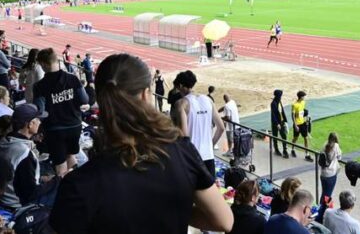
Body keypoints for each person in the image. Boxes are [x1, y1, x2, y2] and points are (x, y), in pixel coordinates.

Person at [50, 54, 233, 234]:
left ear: (100, 99)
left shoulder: (77, 184)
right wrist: (176, 210)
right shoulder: (182, 152)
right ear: (146, 95)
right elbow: (224, 221)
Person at [0, 104, 58, 211]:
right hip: (19, 205)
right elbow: (31, 193)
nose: (40, 122)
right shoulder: (24, 153)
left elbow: (17, 175)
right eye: (37, 120)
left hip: (4, 198)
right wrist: (56, 180)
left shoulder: (3, 142)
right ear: (30, 124)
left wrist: (43, 179)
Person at [33, 47, 89, 177]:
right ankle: (77, 182)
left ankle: (64, 187)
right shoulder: (73, 79)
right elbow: (84, 100)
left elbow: (40, 110)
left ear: (44, 64)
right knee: (71, 155)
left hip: (54, 129)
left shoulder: (39, 86)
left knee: (60, 165)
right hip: (75, 125)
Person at [174, 70, 225, 177]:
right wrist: (211, 144)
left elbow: (184, 136)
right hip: (208, 156)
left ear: (181, 86)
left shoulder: (181, 104)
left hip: (191, 158)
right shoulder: (208, 100)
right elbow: (221, 128)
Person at [316, 132, 342, 222]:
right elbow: (339, 157)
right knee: (327, 197)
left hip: (323, 174)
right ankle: (320, 217)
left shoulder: (324, 144)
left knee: (324, 195)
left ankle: (320, 213)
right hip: (331, 175)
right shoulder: (336, 146)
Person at [291, 90, 312, 162]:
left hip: (303, 123)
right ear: (300, 97)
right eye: (303, 96)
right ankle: (292, 149)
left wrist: (307, 117)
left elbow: (302, 111)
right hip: (297, 124)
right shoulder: (294, 105)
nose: (304, 97)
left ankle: (307, 154)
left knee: (305, 138)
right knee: (295, 138)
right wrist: (295, 125)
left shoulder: (303, 102)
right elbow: (293, 115)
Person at [271, 89, 289, 158]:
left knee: (284, 136)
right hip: (276, 123)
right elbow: (273, 115)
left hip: (281, 122)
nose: (281, 96)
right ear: (277, 95)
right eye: (280, 95)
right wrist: (277, 124)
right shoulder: (273, 103)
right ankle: (276, 150)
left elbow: (282, 112)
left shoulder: (279, 102)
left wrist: (285, 121)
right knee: (275, 136)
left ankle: (285, 150)